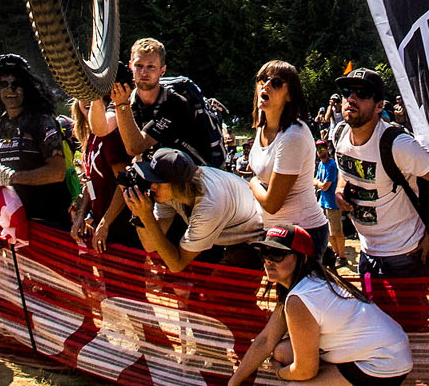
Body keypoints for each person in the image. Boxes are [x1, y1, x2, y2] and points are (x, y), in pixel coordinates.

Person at [220, 225, 413, 386]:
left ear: (301, 258)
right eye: (265, 253)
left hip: (383, 364)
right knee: (282, 351)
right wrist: (234, 384)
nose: (268, 261)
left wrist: (279, 373)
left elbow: (305, 370)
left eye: (278, 253)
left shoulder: (300, 299)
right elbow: (265, 340)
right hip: (385, 352)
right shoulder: (305, 282)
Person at [330, 69, 429, 281]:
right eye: (347, 91)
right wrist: (339, 189)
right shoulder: (339, 135)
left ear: (379, 106)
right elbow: (345, 171)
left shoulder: (398, 145)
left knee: (407, 315)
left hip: (405, 254)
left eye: (362, 93)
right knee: (372, 314)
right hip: (367, 252)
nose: (351, 98)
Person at [123, 146, 264, 272]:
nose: (152, 186)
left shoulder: (209, 206)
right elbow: (150, 245)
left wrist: (146, 216)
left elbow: (176, 265)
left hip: (254, 235)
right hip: (227, 229)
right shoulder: (170, 194)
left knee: (217, 296)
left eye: (158, 182)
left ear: (178, 184)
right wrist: (138, 214)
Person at [246, 62, 329, 255]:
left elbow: (272, 204)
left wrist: (252, 183)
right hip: (274, 233)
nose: (265, 86)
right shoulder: (261, 127)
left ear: (290, 95)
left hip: (303, 234)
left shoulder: (293, 136)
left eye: (276, 83)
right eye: (262, 80)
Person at [0, 55, 72, 230]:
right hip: (15, 225)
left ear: (28, 88)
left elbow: (57, 172)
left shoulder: (43, 121)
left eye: (17, 84)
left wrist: (13, 177)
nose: (10, 90)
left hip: (48, 223)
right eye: (4, 84)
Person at [110, 37, 225, 166]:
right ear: (130, 66)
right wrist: (94, 89)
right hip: (162, 170)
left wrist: (121, 105)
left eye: (151, 67)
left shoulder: (176, 103)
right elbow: (101, 128)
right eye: (139, 66)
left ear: (162, 71)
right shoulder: (127, 96)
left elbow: (135, 147)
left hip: (195, 173)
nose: (144, 72)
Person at [314, 138, 343, 267]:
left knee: (337, 231)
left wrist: (317, 183)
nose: (319, 151)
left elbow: (325, 185)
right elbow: (317, 181)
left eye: (322, 148)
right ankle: (336, 253)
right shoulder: (321, 164)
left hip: (332, 203)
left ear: (327, 149)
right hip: (323, 202)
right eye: (318, 148)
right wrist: (318, 183)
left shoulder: (332, 165)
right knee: (329, 233)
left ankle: (342, 256)